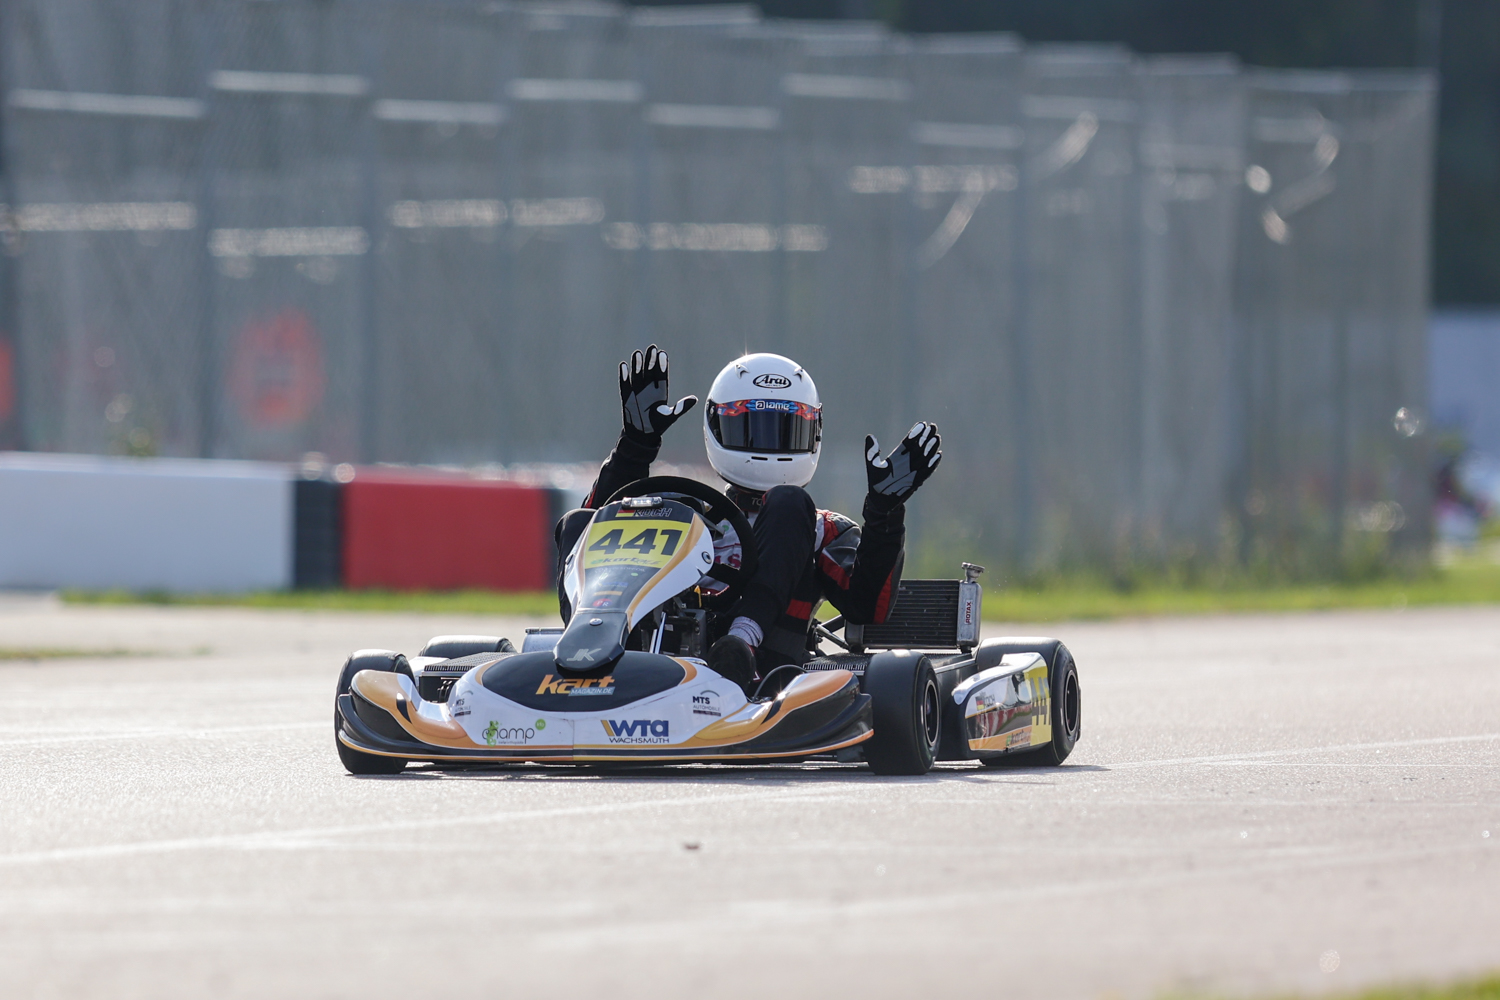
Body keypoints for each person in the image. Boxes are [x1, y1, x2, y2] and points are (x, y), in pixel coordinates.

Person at [557, 345, 941, 696]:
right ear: (718, 427)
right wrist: (634, 449)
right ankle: (587, 650)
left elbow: (867, 607)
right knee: (579, 522)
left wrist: (884, 512)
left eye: (786, 431)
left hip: (766, 678)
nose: (769, 444)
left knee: (791, 503)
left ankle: (742, 640)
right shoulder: (686, 518)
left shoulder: (819, 527)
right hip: (646, 664)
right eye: (752, 429)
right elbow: (599, 523)